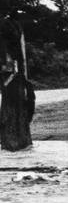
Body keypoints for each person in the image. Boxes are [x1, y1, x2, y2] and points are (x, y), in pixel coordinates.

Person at [0, 17, 36, 152]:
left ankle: (16, 141)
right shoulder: (7, 42)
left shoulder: (12, 31)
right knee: (11, 107)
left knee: (17, 107)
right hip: (11, 79)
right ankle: (13, 141)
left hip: (15, 79)